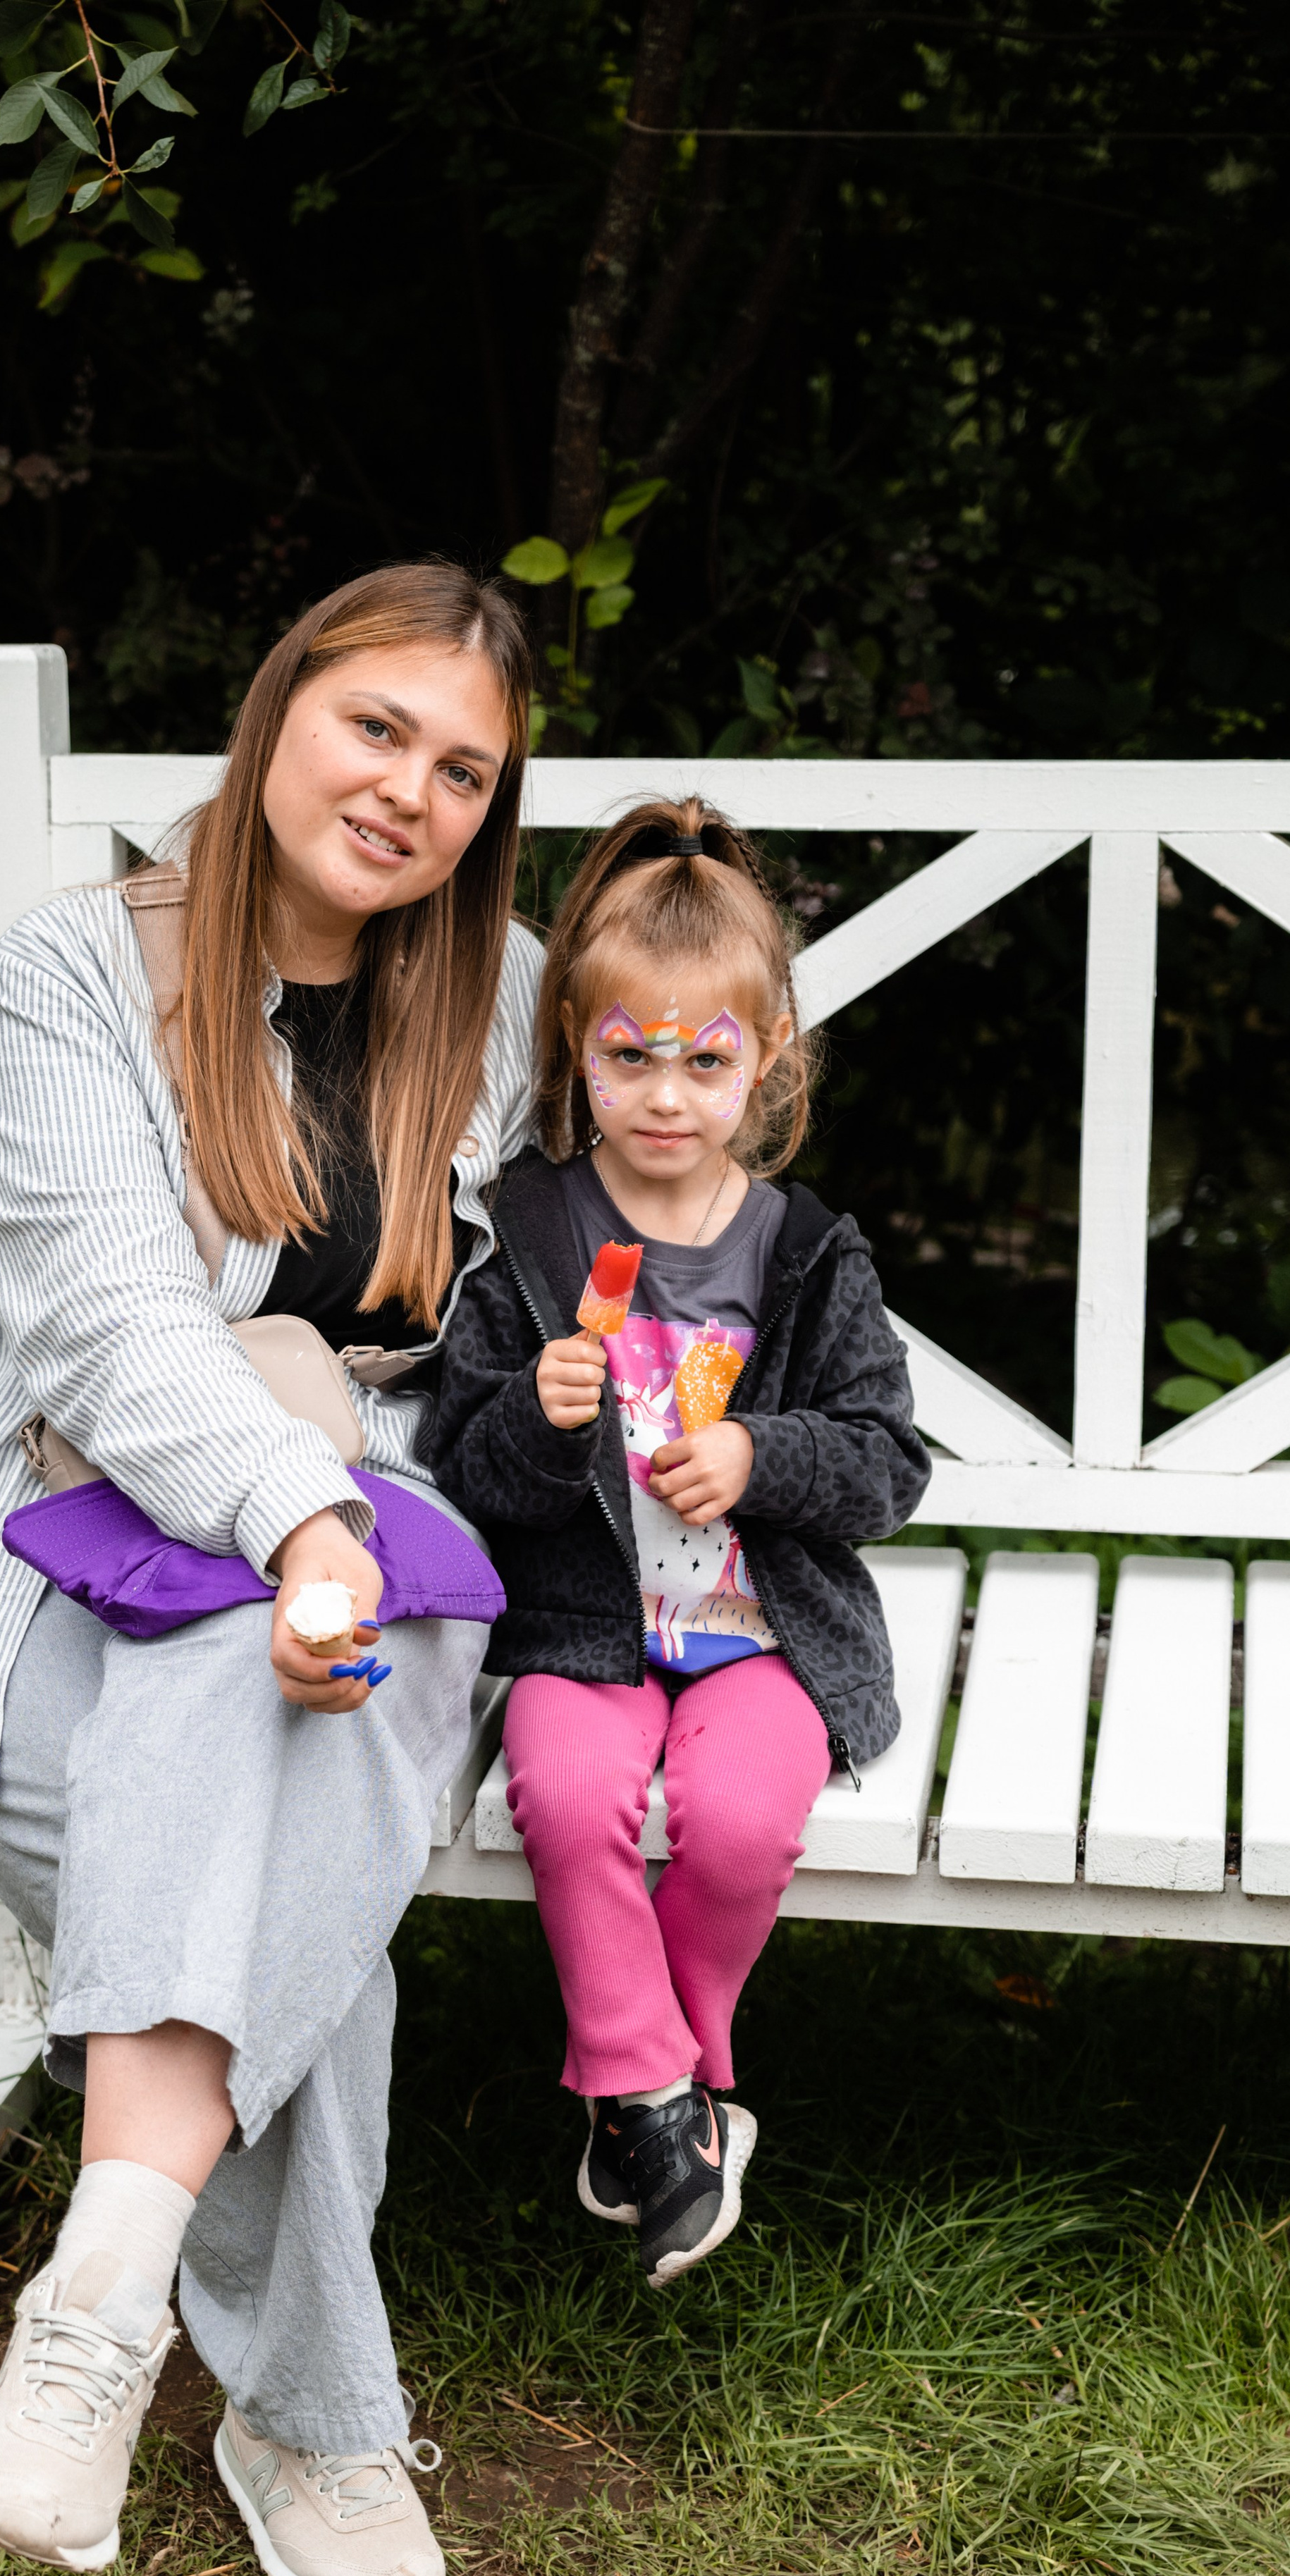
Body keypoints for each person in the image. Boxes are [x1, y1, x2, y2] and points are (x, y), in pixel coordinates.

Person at [0, 563, 541, 2576]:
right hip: (45, 1543)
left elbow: (688, 1145)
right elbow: (111, 1330)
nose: (409, 792)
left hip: (370, 1548)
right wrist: (301, 1519)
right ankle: (309, 2416)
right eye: (377, 726)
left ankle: (94, 2313)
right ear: (279, 708)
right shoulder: (71, 973)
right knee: (301, 1872)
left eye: (463, 771)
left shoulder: (496, 998)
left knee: (280, 1716)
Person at [429, 798, 930, 2291]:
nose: (664, 1095)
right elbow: (467, 1467)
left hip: (762, 1633)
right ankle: (657, 2101)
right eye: (627, 1057)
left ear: (766, 1059)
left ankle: (660, 2089)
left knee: (741, 1819)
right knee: (569, 1794)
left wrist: (761, 1455)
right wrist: (534, 1417)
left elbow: (889, 1463)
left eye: (704, 1061)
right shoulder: (526, 1236)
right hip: (581, 1630)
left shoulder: (804, 1251)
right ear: (572, 1050)